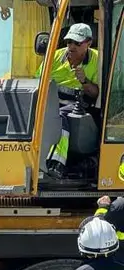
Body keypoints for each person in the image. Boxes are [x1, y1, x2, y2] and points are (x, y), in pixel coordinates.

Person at [36, 23, 101, 179]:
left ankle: (57, 162)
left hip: (81, 105)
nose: (71, 46)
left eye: (77, 43)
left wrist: (84, 81)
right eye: (69, 42)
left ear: (89, 43)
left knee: (60, 117)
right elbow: (36, 82)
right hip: (51, 102)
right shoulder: (55, 56)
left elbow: (96, 94)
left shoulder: (98, 59)